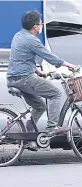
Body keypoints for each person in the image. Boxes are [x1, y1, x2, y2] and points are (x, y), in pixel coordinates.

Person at [7, 10, 76, 149]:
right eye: (41, 23)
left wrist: (38, 71)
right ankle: (52, 127)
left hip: (14, 78)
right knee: (55, 93)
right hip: (24, 78)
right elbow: (49, 56)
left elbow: (21, 58)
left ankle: (29, 138)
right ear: (35, 26)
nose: (42, 25)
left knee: (40, 106)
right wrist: (69, 65)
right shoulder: (32, 40)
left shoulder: (18, 36)